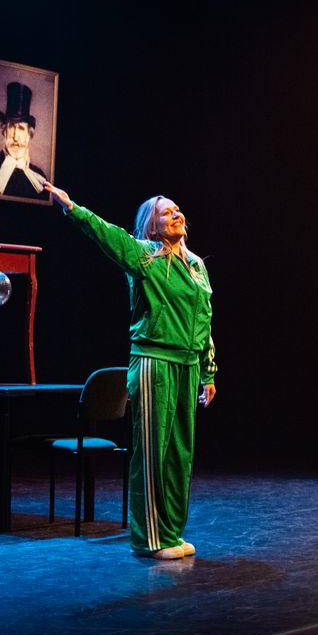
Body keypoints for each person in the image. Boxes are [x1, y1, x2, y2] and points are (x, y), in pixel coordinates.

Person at [46, 180, 216, 560]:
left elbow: (205, 320)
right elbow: (108, 235)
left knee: (179, 455)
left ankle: (172, 533)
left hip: (188, 365)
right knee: (153, 454)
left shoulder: (196, 267)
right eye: (166, 212)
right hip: (154, 362)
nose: (176, 214)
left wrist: (208, 372)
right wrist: (72, 208)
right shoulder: (144, 257)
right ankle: (149, 539)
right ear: (152, 227)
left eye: (177, 209)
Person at [0, 82, 48, 199]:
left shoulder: (39, 177)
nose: (15, 136)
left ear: (29, 135)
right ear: (4, 130)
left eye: (21, 128)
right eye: (11, 127)